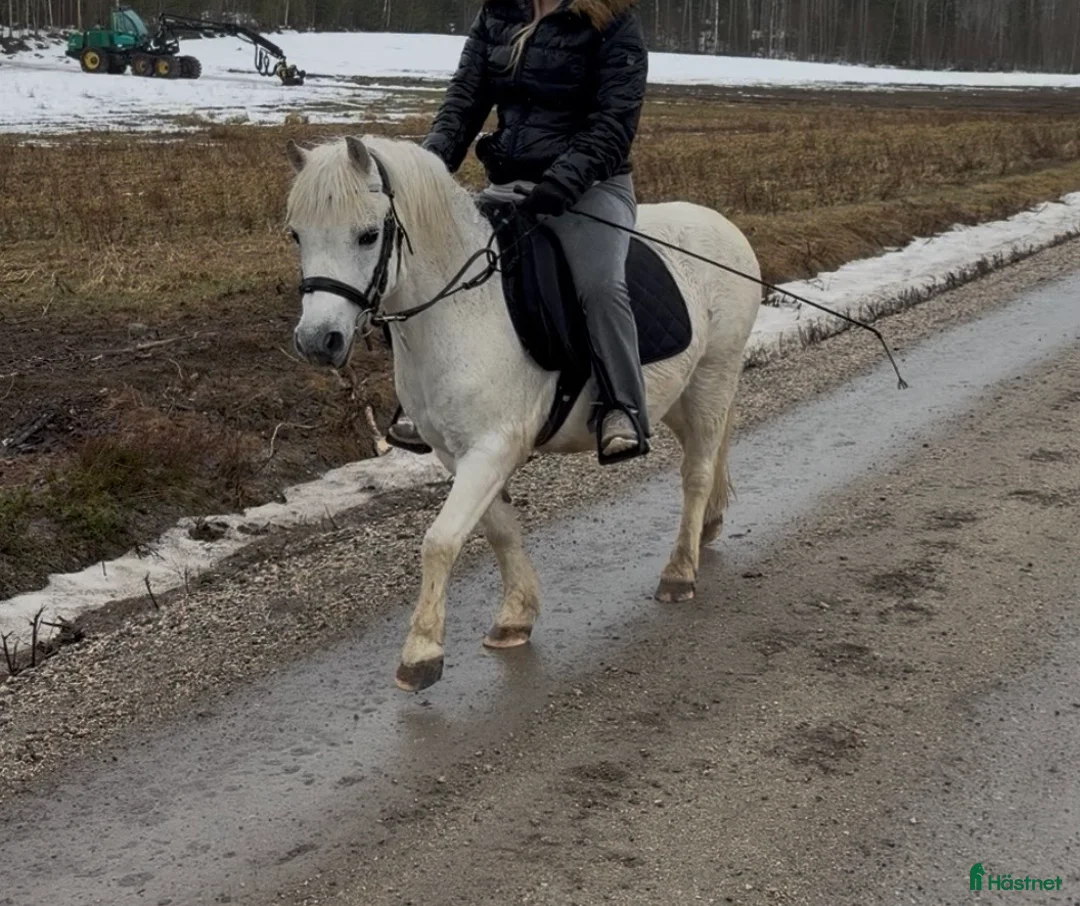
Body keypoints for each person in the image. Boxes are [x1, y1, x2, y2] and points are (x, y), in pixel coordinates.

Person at [387, 0, 651, 462]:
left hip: (590, 187)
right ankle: (423, 403)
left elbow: (614, 123)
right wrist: (424, 172)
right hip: (509, 184)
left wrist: (564, 180)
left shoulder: (612, 20)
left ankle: (621, 406)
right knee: (424, 267)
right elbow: (464, 99)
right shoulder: (499, 13)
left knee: (600, 287)